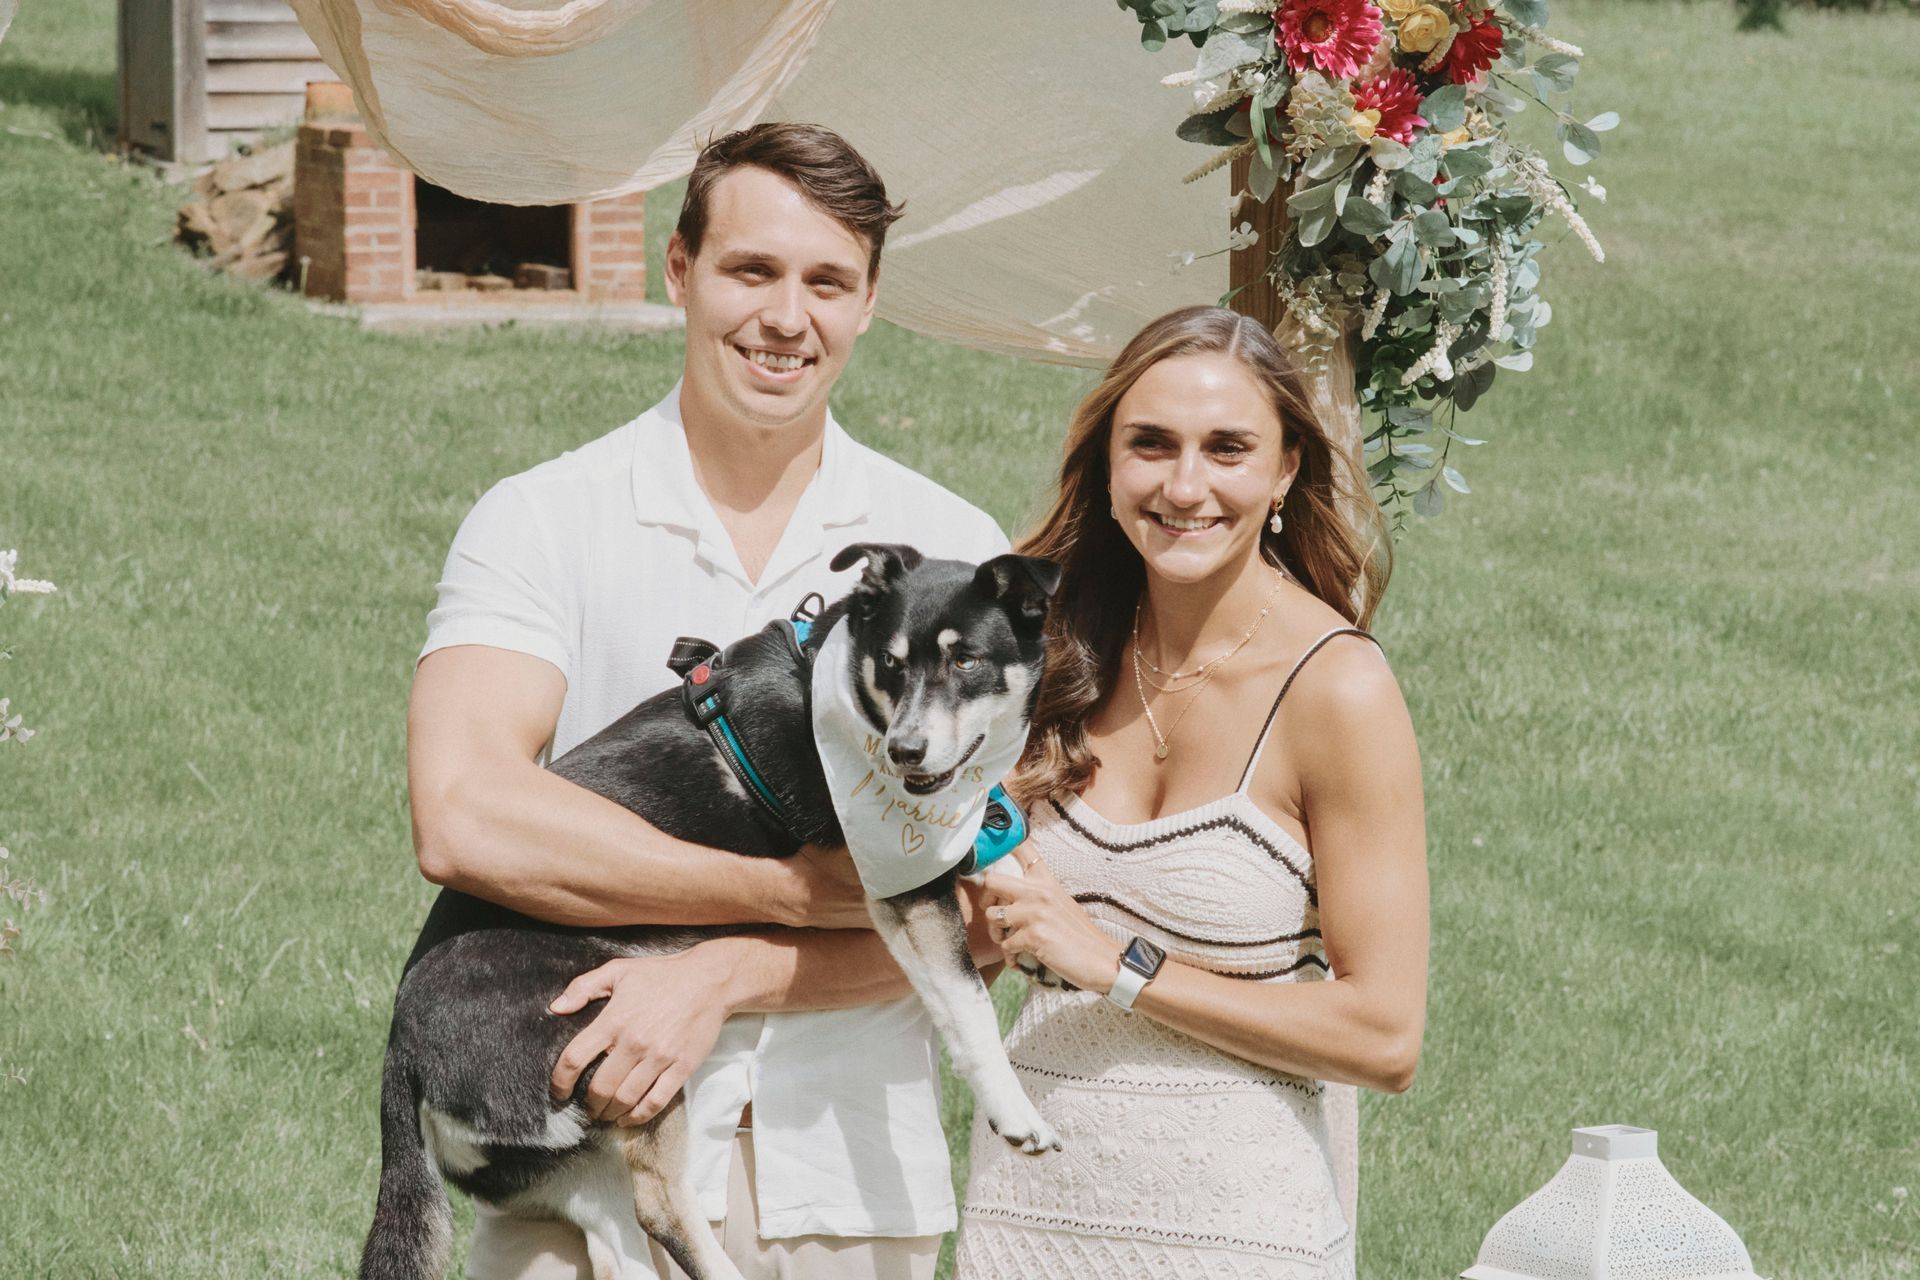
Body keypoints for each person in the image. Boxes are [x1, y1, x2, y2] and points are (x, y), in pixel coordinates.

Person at [409, 122, 1008, 1280]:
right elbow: (465, 814)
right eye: (753, 270)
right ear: (677, 270)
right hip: (576, 1184)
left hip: (852, 1187)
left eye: (828, 281)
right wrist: (785, 893)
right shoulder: (541, 518)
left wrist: (723, 970)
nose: (789, 318)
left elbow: (984, 920)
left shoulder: (952, 556)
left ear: (870, 302)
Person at [956, 306, 1430, 1279]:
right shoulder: (1047, 656)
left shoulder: (1339, 690)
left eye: (1227, 448)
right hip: (1024, 1226)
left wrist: (1116, 964)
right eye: (1152, 445)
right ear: (1107, 461)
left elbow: (1386, 1033)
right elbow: (978, 935)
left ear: (1287, 466)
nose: (1184, 485)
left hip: (1235, 1239)